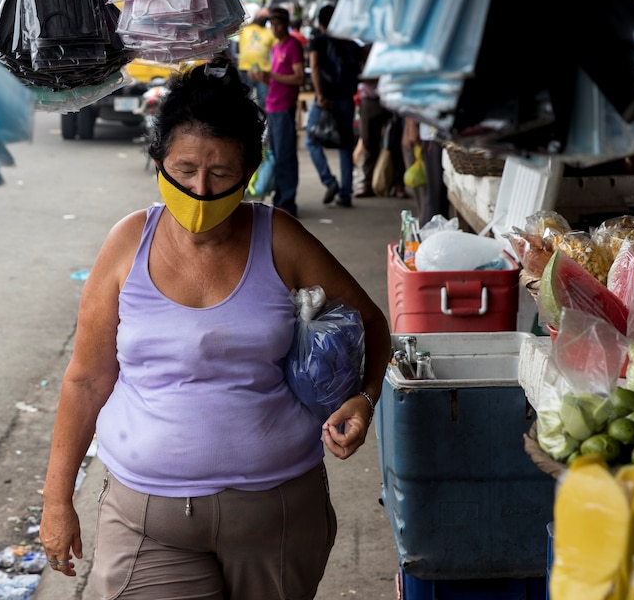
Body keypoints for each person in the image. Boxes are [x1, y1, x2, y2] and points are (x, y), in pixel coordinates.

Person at [38, 56, 390, 600]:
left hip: (277, 516)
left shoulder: (281, 239)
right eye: (184, 170)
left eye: (221, 173)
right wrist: (57, 503)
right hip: (147, 519)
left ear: (249, 173)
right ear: (157, 161)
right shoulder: (126, 244)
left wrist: (364, 400)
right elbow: (85, 381)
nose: (201, 190)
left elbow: (371, 322)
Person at [305, 4, 363, 207]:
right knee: (346, 146)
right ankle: (346, 194)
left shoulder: (319, 41)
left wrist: (320, 94)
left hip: (326, 99)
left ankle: (329, 181)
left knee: (311, 141)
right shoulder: (352, 44)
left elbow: (314, 65)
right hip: (346, 99)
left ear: (321, 23)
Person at [249, 5, 305, 217]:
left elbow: (299, 78)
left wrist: (271, 76)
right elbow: (274, 77)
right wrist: (262, 77)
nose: (274, 28)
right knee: (276, 155)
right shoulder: (276, 46)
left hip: (284, 107)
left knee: (285, 155)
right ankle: (281, 197)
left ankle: (287, 202)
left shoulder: (293, 45)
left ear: (287, 24)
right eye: (272, 24)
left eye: (278, 24)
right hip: (272, 106)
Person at [236, 7, 275, 108]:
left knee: (264, 101)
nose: (264, 18)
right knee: (245, 100)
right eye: (263, 15)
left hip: (263, 72)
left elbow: (276, 50)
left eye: (267, 16)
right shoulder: (245, 29)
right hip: (245, 70)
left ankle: (266, 122)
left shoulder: (269, 32)